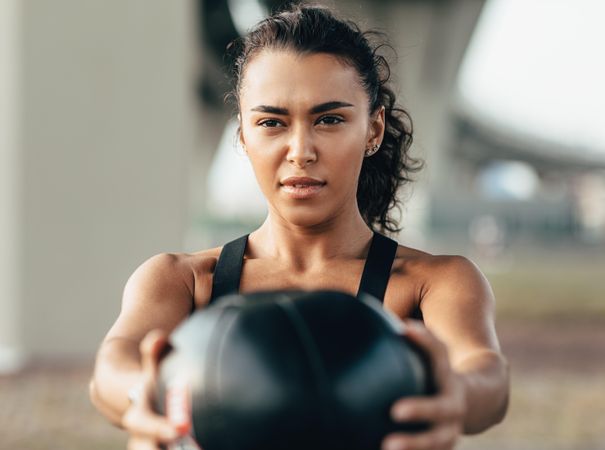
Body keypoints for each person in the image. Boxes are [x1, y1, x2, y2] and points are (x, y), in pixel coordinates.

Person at [89, 4, 509, 450]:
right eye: (272, 122)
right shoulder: (184, 280)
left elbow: (485, 373)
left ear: (374, 129)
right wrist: (147, 395)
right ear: (243, 135)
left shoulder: (433, 283)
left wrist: (456, 394)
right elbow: (112, 368)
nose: (300, 151)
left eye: (329, 119)